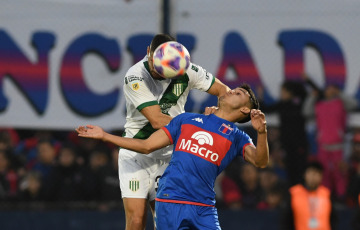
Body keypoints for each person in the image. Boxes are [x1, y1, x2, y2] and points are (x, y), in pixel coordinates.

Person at [76, 84, 269, 229]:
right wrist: (104, 136)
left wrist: (261, 133)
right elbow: (146, 146)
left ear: (245, 109)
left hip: (204, 206)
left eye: (238, 93)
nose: (230, 90)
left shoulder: (237, 136)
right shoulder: (187, 120)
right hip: (170, 200)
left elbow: (260, 162)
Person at [118, 33, 230, 229]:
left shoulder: (185, 68)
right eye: (156, 66)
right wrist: (202, 126)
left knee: (164, 219)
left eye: (166, 72)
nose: (159, 73)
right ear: (148, 53)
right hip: (136, 153)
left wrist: (219, 115)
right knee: (136, 220)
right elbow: (156, 120)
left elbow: (224, 91)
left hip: (170, 156)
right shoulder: (135, 75)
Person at [281, 161, 337, 230]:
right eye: (311, 173)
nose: (313, 177)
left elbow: (334, 220)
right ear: (305, 174)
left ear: (321, 176)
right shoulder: (294, 193)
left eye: (316, 174)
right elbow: (286, 220)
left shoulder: (327, 194)